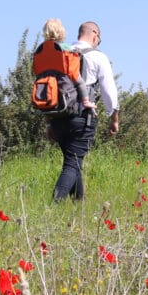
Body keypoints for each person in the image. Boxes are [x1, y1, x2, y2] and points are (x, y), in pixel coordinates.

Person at [49, 21, 119, 201]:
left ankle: (78, 203)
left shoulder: (62, 52)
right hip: (82, 116)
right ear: (95, 34)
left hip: (58, 115)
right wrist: (114, 118)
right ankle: (54, 205)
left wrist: (49, 121)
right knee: (72, 165)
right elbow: (108, 90)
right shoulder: (98, 56)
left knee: (73, 161)